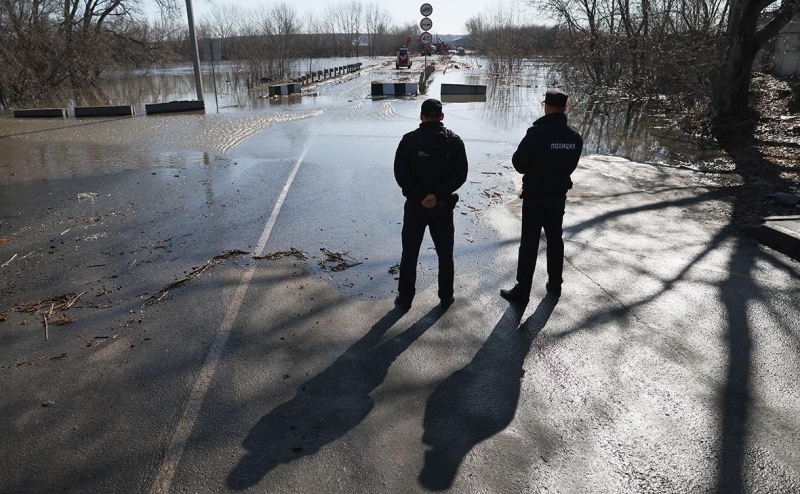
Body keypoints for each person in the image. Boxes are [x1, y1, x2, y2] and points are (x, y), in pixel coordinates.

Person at [501, 89, 583, 304]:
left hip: (535, 197)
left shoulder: (536, 133)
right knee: (555, 240)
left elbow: (519, 164)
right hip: (557, 197)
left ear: (546, 107)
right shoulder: (574, 136)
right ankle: (555, 284)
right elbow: (571, 165)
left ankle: (522, 291)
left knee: (529, 243)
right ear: (565, 108)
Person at [394, 98, 468, 311]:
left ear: (421, 116)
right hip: (443, 208)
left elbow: (401, 175)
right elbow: (460, 175)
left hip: (416, 208)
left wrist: (420, 197)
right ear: (441, 117)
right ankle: (446, 297)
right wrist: (437, 195)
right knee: (445, 254)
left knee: (409, 254)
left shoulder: (408, 141)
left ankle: (405, 299)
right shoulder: (454, 141)